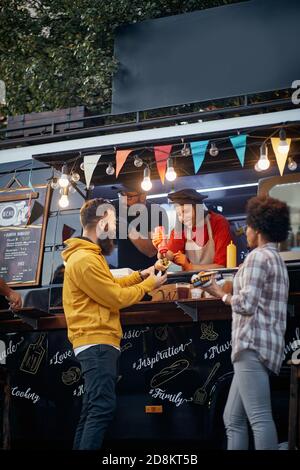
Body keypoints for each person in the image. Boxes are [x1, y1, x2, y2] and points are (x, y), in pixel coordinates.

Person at [62, 198, 166, 450]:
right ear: (102, 218)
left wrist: (142, 274)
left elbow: (110, 285)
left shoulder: (88, 256)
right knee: (101, 408)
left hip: (96, 342)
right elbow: (115, 298)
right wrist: (149, 285)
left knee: (92, 409)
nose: (116, 224)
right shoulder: (84, 259)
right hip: (96, 342)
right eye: (113, 218)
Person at [201, 195, 290, 450]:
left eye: (249, 226)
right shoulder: (277, 260)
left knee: (259, 418)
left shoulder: (256, 258)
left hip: (250, 344)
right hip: (265, 346)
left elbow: (246, 304)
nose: (245, 232)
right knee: (232, 418)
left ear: (259, 228)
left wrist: (219, 293)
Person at [153, 188, 231, 271]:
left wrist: (190, 267)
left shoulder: (218, 222)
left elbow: (222, 266)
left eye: (185, 212)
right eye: (179, 214)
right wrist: (161, 248)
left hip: (217, 278)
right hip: (191, 279)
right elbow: (170, 255)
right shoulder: (180, 228)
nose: (182, 218)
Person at [113, 182, 168, 270]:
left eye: (129, 196)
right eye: (121, 195)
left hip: (151, 273)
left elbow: (151, 251)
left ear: (143, 196)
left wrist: (129, 229)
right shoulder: (115, 207)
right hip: (124, 273)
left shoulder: (156, 212)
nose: (124, 200)